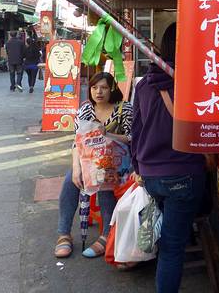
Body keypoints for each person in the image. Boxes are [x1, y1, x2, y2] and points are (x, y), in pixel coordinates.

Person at [131, 23, 206, 293]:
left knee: (169, 241)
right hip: (184, 175)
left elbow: (135, 130)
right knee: (172, 247)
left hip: (151, 174)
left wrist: (138, 166)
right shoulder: (195, 83)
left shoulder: (144, 84)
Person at [54, 72, 133, 259]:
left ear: (112, 89)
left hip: (119, 163)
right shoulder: (86, 110)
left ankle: (106, 235)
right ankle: (64, 233)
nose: (99, 92)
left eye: (104, 88)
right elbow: (77, 142)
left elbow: (132, 138)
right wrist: (76, 168)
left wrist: (107, 135)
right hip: (90, 160)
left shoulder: (124, 109)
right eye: (95, 88)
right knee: (70, 181)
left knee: (104, 179)